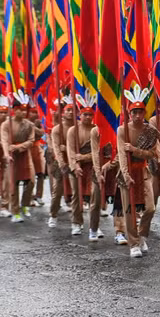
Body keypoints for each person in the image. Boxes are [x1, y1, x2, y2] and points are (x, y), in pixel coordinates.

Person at [118, 85, 160, 258]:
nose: (137, 115)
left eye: (140, 112)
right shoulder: (123, 129)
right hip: (127, 173)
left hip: (143, 171)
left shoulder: (150, 131)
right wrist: (125, 174)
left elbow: (152, 154)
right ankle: (134, 243)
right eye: (134, 112)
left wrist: (135, 151)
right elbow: (122, 154)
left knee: (150, 208)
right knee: (129, 210)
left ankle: (142, 234)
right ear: (129, 114)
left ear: (145, 113)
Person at [67, 93, 99, 238]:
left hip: (93, 167)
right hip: (77, 169)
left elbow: (99, 152)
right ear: (80, 114)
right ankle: (76, 223)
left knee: (95, 197)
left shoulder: (97, 129)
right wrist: (75, 166)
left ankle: (94, 226)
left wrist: (85, 157)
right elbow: (71, 151)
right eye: (85, 114)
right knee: (77, 196)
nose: (87, 117)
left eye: (90, 114)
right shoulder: (73, 130)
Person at [1, 90, 36, 223]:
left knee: (31, 181)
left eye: (25, 110)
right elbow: (4, 140)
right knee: (13, 184)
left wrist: (18, 147)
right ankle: (15, 211)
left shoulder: (29, 125)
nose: (23, 112)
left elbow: (31, 141)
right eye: (21, 110)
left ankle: (25, 204)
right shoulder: (6, 124)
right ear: (14, 110)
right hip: (12, 158)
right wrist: (6, 154)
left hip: (25, 156)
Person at [48, 98, 73, 228]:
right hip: (61, 164)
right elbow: (56, 148)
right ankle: (53, 215)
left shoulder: (78, 127)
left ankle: (77, 221)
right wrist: (62, 162)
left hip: (75, 163)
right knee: (57, 190)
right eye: (68, 110)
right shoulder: (57, 129)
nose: (70, 112)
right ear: (63, 112)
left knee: (78, 191)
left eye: (72, 110)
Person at [27, 105, 47, 207]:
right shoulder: (24, 122)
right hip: (27, 150)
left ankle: (39, 196)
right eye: (32, 112)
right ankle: (29, 196)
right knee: (29, 175)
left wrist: (33, 127)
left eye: (36, 112)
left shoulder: (39, 122)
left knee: (41, 173)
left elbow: (42, 132)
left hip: (37, 148)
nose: (34, 114)